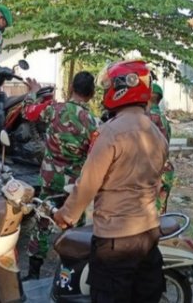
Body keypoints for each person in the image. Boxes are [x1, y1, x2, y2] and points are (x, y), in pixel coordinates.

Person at [53, 60, 168, 303]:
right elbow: (158, 183)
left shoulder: (111, 132)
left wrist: (66, 215)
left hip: (117, 239)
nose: (105, 91)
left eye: (109, 85)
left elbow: (88, 183)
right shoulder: (157, 134)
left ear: (123, 88)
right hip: (148, 234)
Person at [22, 71, 100, 280]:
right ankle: (71, 274)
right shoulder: (94, 123)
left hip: (49, 179)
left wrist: (34, 93)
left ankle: (33, 274)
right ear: (91, 94)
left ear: (72, 88)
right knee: (76, 230)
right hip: (74, 186)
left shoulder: (54, 110)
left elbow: (28, 113)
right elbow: (94, 155)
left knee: (42, 223)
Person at [147, 83, 175, 214]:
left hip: (149, 170)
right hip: (165, 168)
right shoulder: (165, 119)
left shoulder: (145, 117)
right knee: (160, 213)